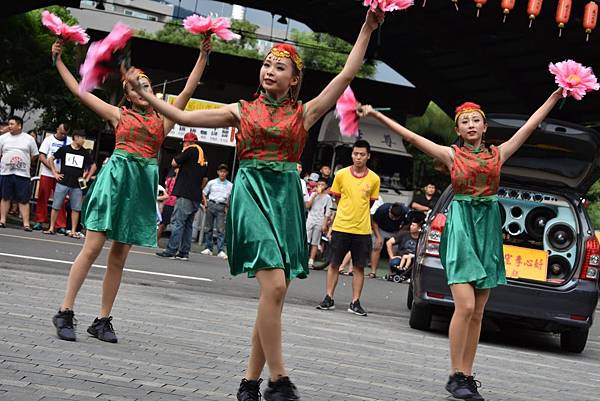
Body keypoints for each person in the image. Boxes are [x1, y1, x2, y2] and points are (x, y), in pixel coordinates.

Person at [124, 9, 384, 400]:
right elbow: (177, 114)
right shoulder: (241, 110)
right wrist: (145, 94)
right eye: (266, 64)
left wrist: (365, 28)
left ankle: (249, 383)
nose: (269, 70)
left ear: (294, 79)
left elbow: (346, 74)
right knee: (275, 285)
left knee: (274, 294)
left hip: (286, 201)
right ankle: (279, 379)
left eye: (279, 67)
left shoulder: (305, 112)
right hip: (251, 196)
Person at [358, 88, 563, 400]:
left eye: (475, 120)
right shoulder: (451, 155)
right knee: (465, 306)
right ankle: (455, 373)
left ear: (484, 127)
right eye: (464, 121)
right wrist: (375, 115)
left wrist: (554, 96)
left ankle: (466, 376)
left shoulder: (499, 154)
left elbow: (530, 126)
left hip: (488, 232)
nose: (470, 125)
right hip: (462, 228)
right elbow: (411, 137)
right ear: (457, 130)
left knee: (479, 312)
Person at [50, 37, 211, 343]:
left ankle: (102, 320)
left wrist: (202, 56)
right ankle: (65, 310)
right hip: (114, 183)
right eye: (136, 84)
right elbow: (79, 90)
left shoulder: (164, 121)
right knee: (93, 247)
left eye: (147, 84)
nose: (142, 88)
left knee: (119, 257)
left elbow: (188, 91)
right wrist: (58, 60)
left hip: (139, 188)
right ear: (126, 92)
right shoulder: (118, 115)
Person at [316, 139, 380, 317]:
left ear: (368, 156)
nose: (358, 157)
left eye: (362, 154)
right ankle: (328, 297)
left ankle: (355, 301)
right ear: (352, 154)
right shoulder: (341, 175)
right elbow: (336, 198)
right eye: (355, 154)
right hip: (341, 226)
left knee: (359, 267)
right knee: (334, 264)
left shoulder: (374, 178)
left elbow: (370, 202)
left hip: (362, 229)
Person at [156, 132, 208, 261]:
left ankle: (171, 250)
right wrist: (198, 189)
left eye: (184, 143)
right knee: (188, 225)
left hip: (184, 194)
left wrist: (183, 151)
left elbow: (174, 163)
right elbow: (205, 179)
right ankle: (184, 252)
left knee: (178, 222)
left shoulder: (190, 150)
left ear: (187, 142)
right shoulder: (202, 156)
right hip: (195, 195)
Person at [44, 130, 96, 238]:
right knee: (56, 205)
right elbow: (51, 159)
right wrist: (55, 173)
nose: (84, 140)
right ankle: (51, 227)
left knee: (76, 208)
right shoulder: (65, 149)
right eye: (82, 138)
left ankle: (73, 231)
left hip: (77, 183)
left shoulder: (84, 152)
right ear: (75, 137)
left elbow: (93, 166)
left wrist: (86, 179)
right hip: (63, 181)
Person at [0, 116, 39, 230]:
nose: (9, 126)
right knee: (5, 197)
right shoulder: (3, 138)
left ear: (19, 125)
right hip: (6, 172)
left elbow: (34, 155)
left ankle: (26, 224)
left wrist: (24, 163)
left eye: (12, 124)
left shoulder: (29, 139)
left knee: (23, 199)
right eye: (9, 124)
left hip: (22, 174)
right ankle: (2, 220)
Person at [33, 122, 72, 232]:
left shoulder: (69, 142)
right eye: (61, 133)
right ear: (57, 130)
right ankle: (40, 220)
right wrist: (52, 168)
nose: (63, 135)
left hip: (62, 174)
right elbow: (42, 156)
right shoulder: (49, 140)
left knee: (61, 199)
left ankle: (60, 225)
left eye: (65, 134)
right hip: (47, 173)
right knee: (43, 196)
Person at [369, 202, 408, 278]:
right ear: (389, 210)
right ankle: (373, 271)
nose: (393, 219)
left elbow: (407, 224)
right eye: (392, 216)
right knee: (377, 247)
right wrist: (378, 236)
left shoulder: (405, 211)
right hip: (381, 229)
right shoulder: (383, 209)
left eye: (396, 218)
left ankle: (392, 273)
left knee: (394, 250)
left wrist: (399, 234)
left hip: (395, 231)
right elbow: (374, 222)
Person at [201, 163, 233, 258]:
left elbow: (231, 198)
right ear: (218, 172)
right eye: (221, 171)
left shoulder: (230, 185)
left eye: (224, 172)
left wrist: (228, 207)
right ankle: (208, 248)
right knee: (208, 228)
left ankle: (220, 250)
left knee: (221, 229)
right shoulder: (212, 182)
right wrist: (206, 204)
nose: (222, 173)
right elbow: (203, 192)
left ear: (227, 173)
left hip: (222, 206)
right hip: (211, 204)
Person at [305, 179, 333, 269]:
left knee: (315, 241)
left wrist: (324, 224)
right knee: (306, 240)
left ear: (325, 186)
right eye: (319, 184)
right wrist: (314, 195)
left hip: (320, 220)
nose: (320, 186)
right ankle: (303, 258)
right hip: (310, 219)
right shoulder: (313, 194)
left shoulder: (327, 197)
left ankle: (311, 260)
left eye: (322, 184)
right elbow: (307, 206)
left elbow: (328, 212)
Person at [385, 217, 422, 282]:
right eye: (411, 225)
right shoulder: (404, 234)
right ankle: (396, 274)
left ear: (419, 229)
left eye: (413, 226)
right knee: (394, 262)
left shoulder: (422, 238)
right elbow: (389, 242)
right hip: (402, 258)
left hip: (414, 259)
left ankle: (410, 277)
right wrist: (391, 256)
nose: (411, 227)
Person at [156, 168, 177, 242]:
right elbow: (165, 192)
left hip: (177, 203)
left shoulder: (183, 181)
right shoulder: (170, 180)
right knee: (162, 224)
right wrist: (162, 204)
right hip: (169, 203)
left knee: (175, 225)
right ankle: (156, 241)